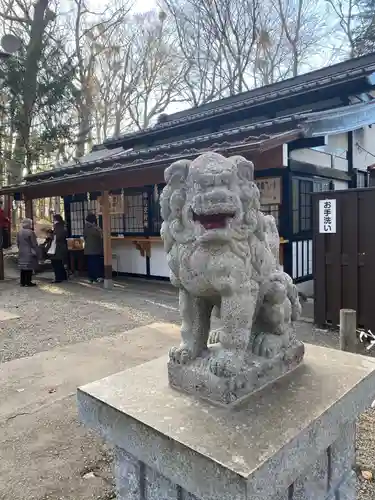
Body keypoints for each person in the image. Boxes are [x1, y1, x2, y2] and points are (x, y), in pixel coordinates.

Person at [17, 218, 38, 287]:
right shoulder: (31, 232)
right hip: (29, 251)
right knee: (29, 266)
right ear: (29, 224)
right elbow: (34, 243)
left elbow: (18, 242)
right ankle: (28, 282)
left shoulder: (19, 232)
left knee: (22, 267)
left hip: (21, 251)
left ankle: (22, 282)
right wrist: (36, 250)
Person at [83, 213, 103, 283]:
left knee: (91, 263)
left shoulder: (86, 227)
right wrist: (99, 229)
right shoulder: (93, 228)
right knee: (95, 263)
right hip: (95, 249)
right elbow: (100, 235)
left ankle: (91, 278)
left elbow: (85, 237)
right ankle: (96, 277)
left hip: (89, 248)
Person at [49, 214, 68, 283]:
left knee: (56, 262)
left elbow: (57, 237)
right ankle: (63, 276)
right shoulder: (63, 226)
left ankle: (58, 278)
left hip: (57, 247)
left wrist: (51, 235)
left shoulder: (57, 227)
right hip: (61, 246)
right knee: (60, 262)